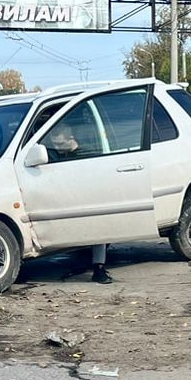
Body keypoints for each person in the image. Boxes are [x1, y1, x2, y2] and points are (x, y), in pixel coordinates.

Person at [43, 118, 113, 283]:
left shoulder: (85, 154)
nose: (56, 147)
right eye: (53, 143)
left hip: (86, 200)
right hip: (62, 200)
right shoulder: (55, 155)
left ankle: (99, 268)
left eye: (59, 143)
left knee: (98, 228)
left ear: (71, 138)